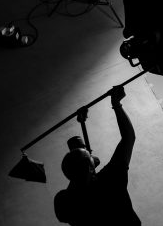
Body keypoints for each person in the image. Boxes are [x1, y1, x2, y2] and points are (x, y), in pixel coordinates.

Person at [54, 85, 140, 225]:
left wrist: (82, 124)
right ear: (90, 168)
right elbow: (128, 137)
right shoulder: (111, 180)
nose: (93, 156)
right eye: (90, 158)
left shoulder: (66, 203)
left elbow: (78, 170)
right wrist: (116, 104)